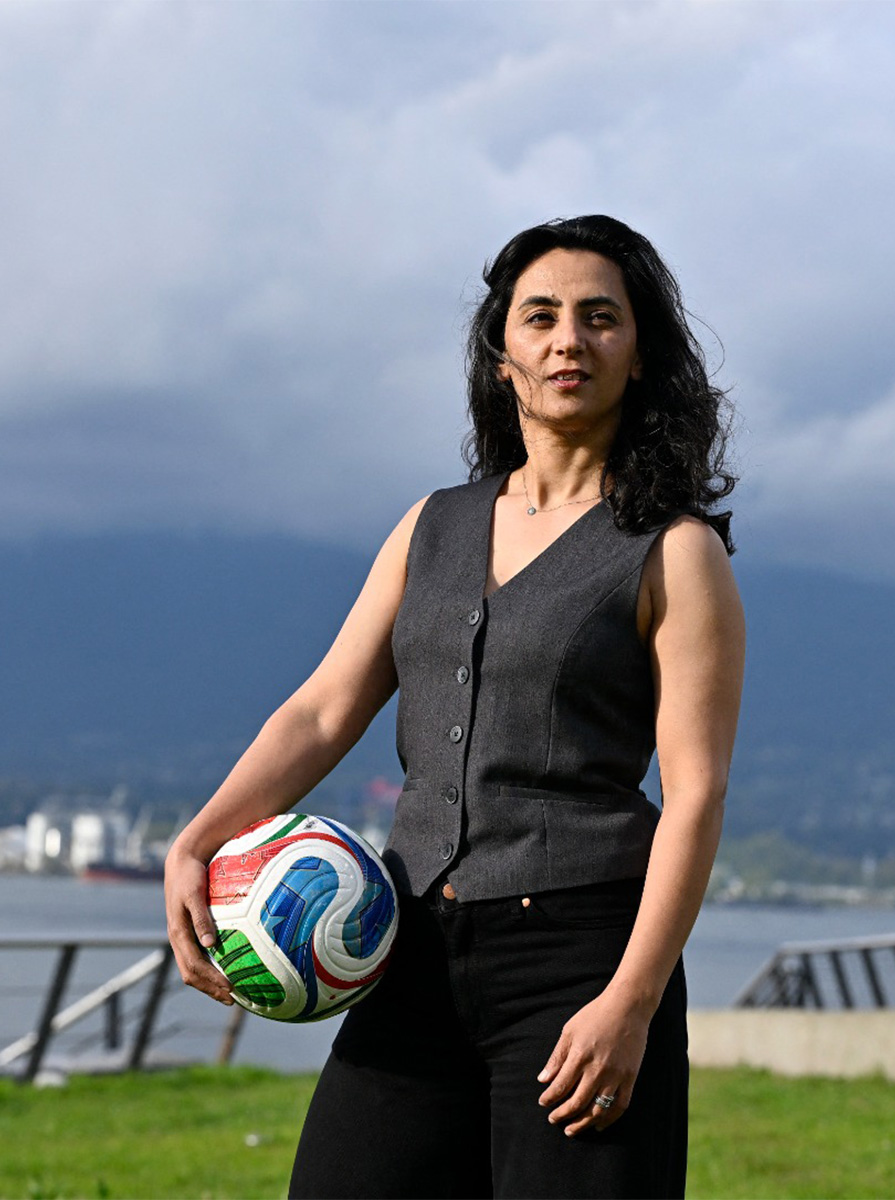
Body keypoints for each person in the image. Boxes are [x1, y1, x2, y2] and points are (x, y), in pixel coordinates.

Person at [164, 214, 744, 1199]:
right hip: (410, 951)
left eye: (601, 318)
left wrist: (631, 1003)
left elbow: (694, 793)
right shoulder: (429, 527)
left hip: (580, 964)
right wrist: (197, 842)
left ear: (640, 355)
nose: (570, 339)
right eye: (542, 316)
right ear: (503, 353)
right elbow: (320, 712)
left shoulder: (676, 551)